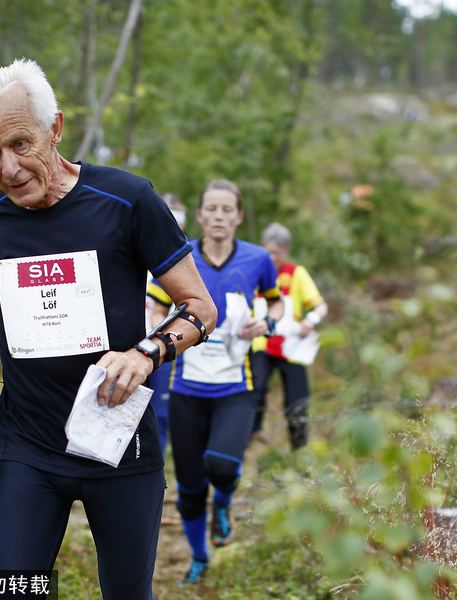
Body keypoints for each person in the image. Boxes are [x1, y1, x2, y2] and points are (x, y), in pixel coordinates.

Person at [0, 58, 216, 600]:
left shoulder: (127, 200)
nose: (7, 167)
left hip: (117, 443)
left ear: (56, 128)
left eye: (21, 144)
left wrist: (146, 352)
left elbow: (199, 307)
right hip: (28, 445)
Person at [148, 179, 284, 585]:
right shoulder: (180, 255)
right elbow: (155, 306)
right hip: (186, 387)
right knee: (190, 488)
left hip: (235, 388)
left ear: (238, 216)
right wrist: (166, 332)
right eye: (213, 209)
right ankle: (199, 557)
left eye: (228, 210)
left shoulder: (258, 259)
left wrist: (268, 320)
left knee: (222, 465)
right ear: (201, 214)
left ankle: (223, 505)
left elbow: (275, 299)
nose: (220, 216)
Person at [250, 222, 328, 450]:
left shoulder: (296, 273)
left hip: (291, 346)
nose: (272, 257)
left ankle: (299, 448)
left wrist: (310, 320)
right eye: (268, 252)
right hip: (261, 343)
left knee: (297, 400)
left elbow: (320, 306)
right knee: (255, 388)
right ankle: (251, 438)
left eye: (277, 252)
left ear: (286, 250)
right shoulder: (256, 270)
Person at [145, 192, 187, 454]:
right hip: (128, 341)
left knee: (160, 412)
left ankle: (157, 467)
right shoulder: (132, 244)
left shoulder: (186, 255)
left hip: (167, 344)